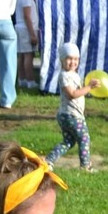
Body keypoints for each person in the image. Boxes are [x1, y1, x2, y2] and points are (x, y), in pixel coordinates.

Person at [44, 43, 100, 172]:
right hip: (71, 115)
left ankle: (49, 160)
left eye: (76, 59)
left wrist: (88, 87)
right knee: (84, 138)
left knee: (69, 141)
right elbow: (72, 95)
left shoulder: (74, 75)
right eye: (69, 58)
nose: (73, 62)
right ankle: (85, 166)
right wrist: (89, 88)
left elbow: (79, 92)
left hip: (70, 115)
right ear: (62, 60)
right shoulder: (64, 76)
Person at [14, 0, 38, 90]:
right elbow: (27, 16)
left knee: (22, 56)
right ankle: (30, 80)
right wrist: (32, 34)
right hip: (26, 29)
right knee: (29, 55)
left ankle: (21, 79)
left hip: (20, 28)